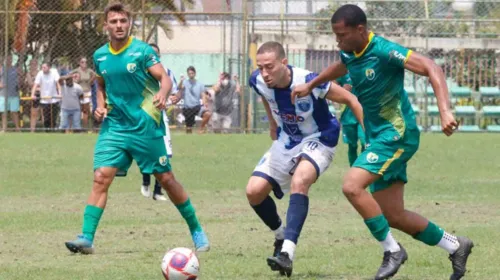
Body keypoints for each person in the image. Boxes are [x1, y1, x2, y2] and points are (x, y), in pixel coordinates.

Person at [291, 4, 473, 280]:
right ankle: (456, 245)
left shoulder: (384, 50)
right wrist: (312, 84)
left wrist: (445, 111)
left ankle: (392, 251)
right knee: (392, 214)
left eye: (341, 35)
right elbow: (341, 65)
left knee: (352, 186)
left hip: (396, 135)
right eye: (335, 36)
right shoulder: (351, 52)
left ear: (360, 30)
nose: (337, 41)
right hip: (379, 137)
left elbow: (431, 67)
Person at [64, 2, 209, 255]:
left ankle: (196, 228)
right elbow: (100, 83)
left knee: (165, 178)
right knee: (100, 177)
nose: (119, 25)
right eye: (114, 21)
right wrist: (100, 106)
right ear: (106, 25)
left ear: (129, 23)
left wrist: (163, 94)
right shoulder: (100, 56)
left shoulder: (141, 51)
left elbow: (164, 78)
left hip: (145, 126)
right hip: (115, 127)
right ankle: (86, 237)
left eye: (123, 21)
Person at [247, 41, 364, 277]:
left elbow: (351, 100)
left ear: (284, 62)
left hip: (320, 138)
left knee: (299, 181)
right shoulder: (257, 80)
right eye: (260, 67)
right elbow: (263, 94)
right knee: (254, 192)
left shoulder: (309, 79)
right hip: (287, 140)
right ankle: (280, 235)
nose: (264, 73)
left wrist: (370, 138)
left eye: (269, 67)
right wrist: (271, 122)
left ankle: (287, 253)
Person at [140, 43, 179, 201]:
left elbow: (175, 93)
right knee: (146, 152)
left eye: (155, 54)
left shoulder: (167, 73)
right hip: (143, 118)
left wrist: (175, 98)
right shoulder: (139, 73)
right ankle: (145, 182)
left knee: (164, 154)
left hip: (160, 117)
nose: (152, 56)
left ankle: (157, 191)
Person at [334, 74, 366, 166]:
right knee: (352, 145)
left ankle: (364, 167)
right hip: (348, 115)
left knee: (365, 143)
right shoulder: (344, 72)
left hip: (364, 113)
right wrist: (342, 91)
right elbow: (333, 84)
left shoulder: (365, 68)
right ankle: (354, 168)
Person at [70, 57, 96, 130]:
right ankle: (74, 128)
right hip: (78, 93)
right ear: (79, 63)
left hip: (87, 92)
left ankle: (85, 128)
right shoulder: (76, 70)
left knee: (86, 111)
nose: (84, 64)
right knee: (76, 110)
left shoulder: (89, 71)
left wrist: (90, 82)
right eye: (82, 62)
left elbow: (95, 75)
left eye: (85, 62)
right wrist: (74, 80)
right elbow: (68, 76)